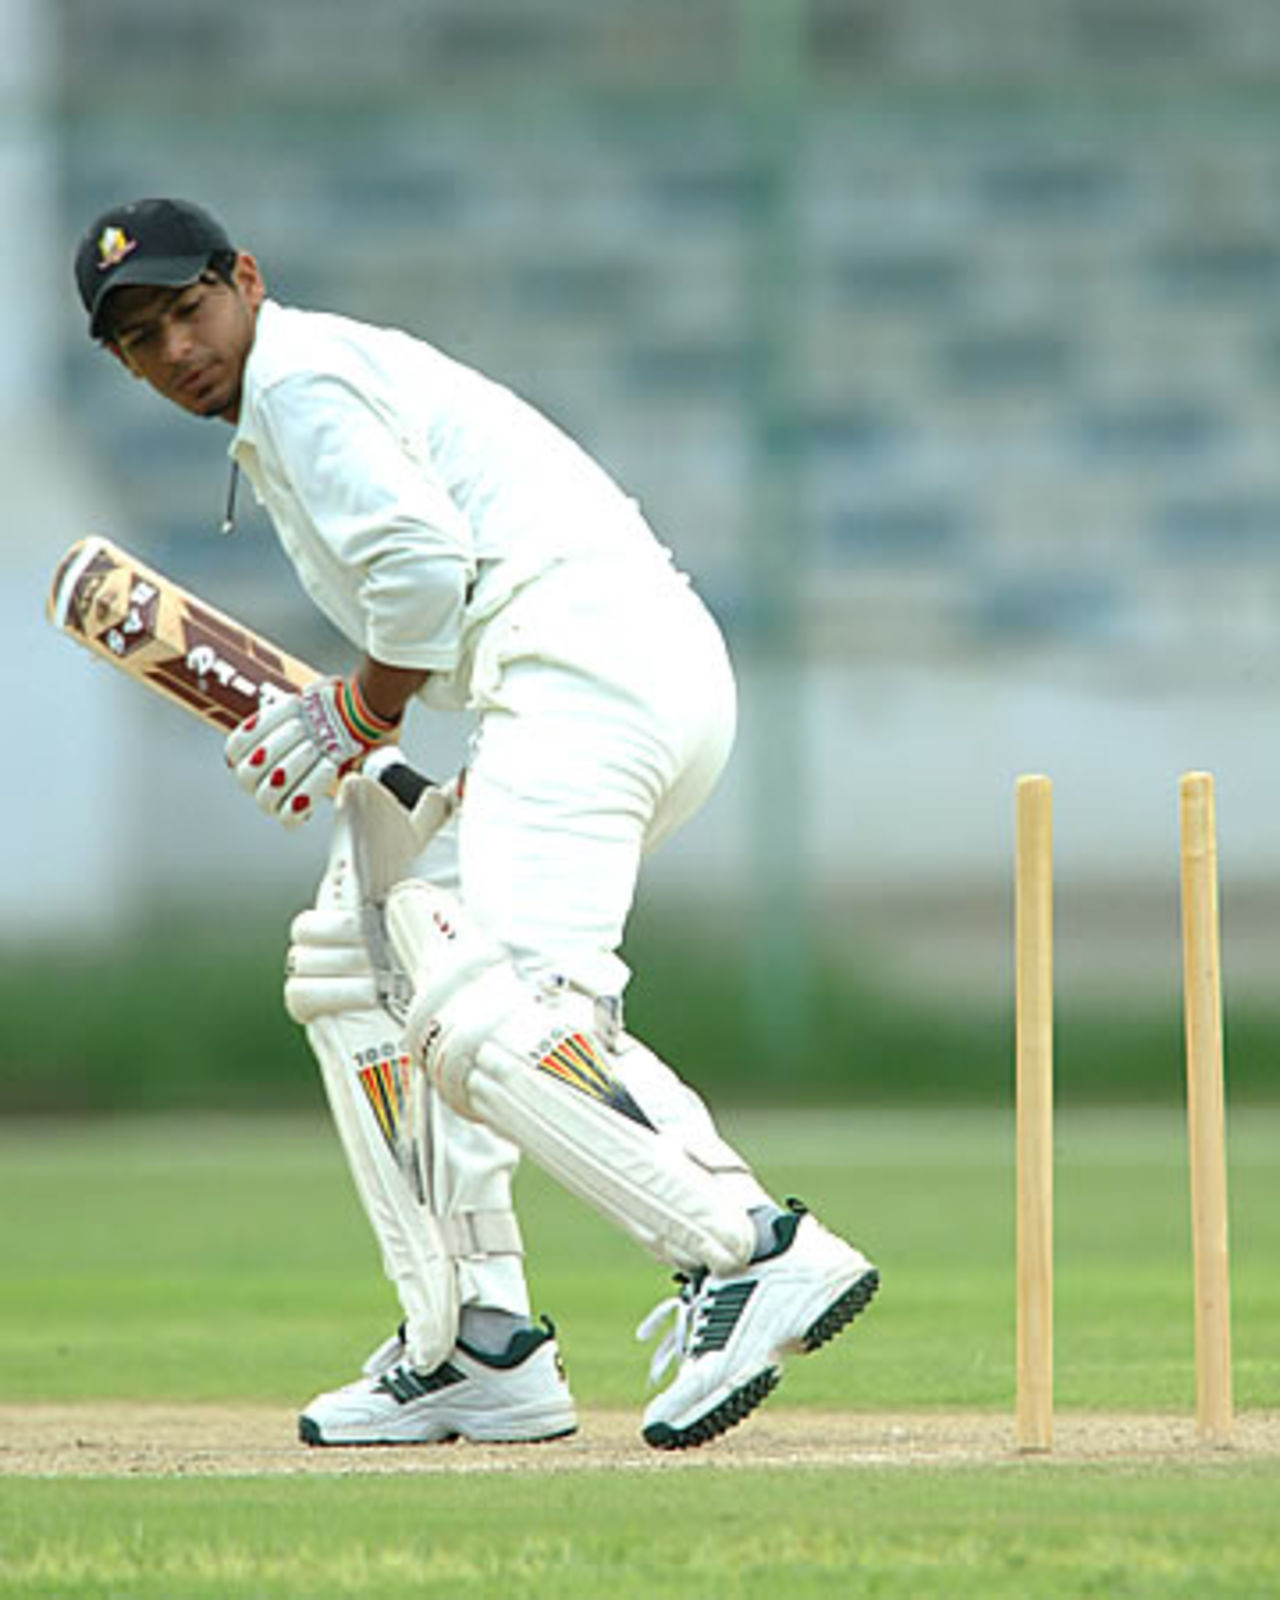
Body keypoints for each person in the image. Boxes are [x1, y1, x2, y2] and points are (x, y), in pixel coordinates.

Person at [73, 196, 879, 1452]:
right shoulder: (300, 395)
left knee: (486, 1000)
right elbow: (428, 596)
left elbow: (420, 577)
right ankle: (474, 1341)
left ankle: (748, 1247)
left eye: (188, 309)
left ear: (245, 279)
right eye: (140, 339)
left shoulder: (300, 382)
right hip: (598, 672)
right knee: (359, 963)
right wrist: (367, 725)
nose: (177, 348)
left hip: (585, 671)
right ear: (121, 362)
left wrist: (356, 708)